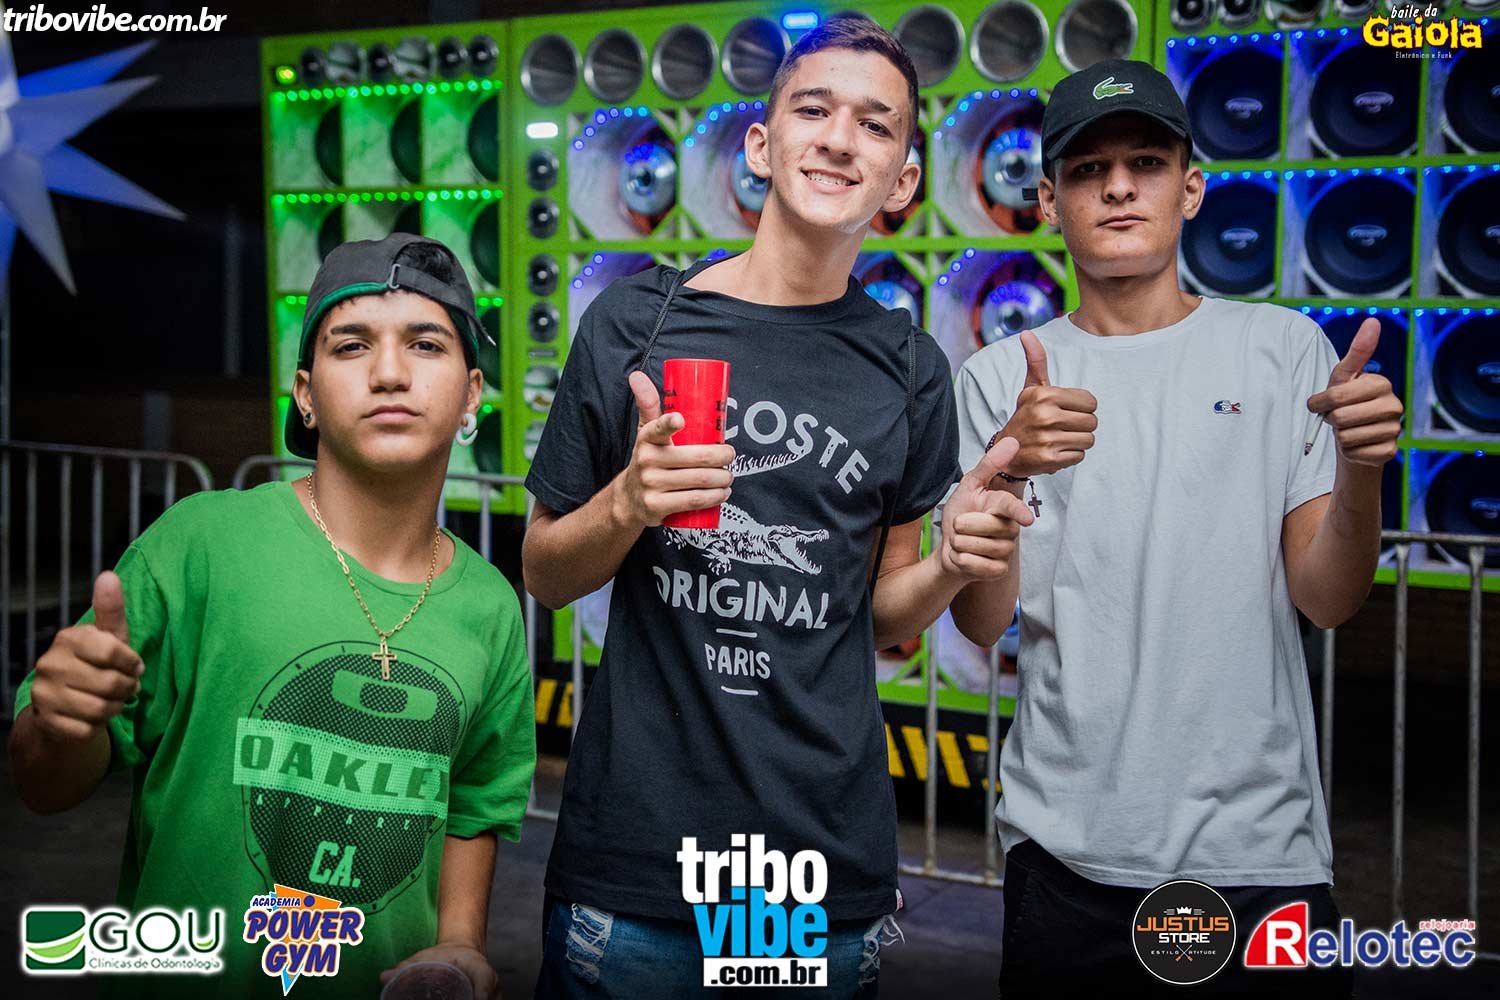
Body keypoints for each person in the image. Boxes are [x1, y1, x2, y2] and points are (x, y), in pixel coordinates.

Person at [523, 14, 1032, 998]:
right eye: (814, 110)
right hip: (636, 869)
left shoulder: (910, 369)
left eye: (875, 125)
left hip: (814, 872)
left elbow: (882, 615)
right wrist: (628, 502)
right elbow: (544, 573)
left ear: (904, 181)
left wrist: (952, 562)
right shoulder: (635, 324)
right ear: (760, 144)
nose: (840, 139)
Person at [950, 60, 1400, 998]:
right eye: (1088, 169)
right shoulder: (999, 380)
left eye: (1146, 163)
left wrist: (1363, 470)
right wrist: (1009, 468)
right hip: (1066, 848)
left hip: (1259, 852)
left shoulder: (1281, 349)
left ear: (1190, 189)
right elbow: (982, 622)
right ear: (1048, 201)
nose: (1118, 187)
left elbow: (1327, 599)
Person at [9, 234, 537, 999]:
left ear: (471, 395)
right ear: (306, 396)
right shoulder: (202, 544)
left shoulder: (489, 604)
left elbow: (474, 803)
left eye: (426, 344)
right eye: (351, 346)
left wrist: (457, 943)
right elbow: (42, 786)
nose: (390, 373)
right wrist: (63, 725)